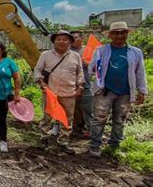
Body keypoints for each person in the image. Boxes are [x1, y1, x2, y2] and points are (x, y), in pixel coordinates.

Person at [88, 21, 147, 158]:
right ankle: (95, 146)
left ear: (127, 34)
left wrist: (142, 90)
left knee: (120, 119)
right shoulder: (101, 51)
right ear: (110, 36)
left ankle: (114, 145)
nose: (119, 36)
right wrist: (96, 70)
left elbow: (140, 72)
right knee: (99, 118)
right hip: (104, 91)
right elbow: (91, 69)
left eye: (122, 33)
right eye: (116, 33)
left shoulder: (136, 52)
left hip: (125, 92)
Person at [34, 30, 84, 154]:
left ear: (70, 42)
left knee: (67, 118)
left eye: (65, 39)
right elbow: (37, 70)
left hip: (69, 92)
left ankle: (63, 141)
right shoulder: (45, 54)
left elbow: (80, 73)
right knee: (47, 116)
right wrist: (42, 83)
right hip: (50, 92)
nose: (61, 42)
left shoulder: (75, 56)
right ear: (54, 41)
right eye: (58, 39)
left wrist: (80, 87)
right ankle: (44, 138)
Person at [70, 31, 93, 138]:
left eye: (75, 38)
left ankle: (91, 131)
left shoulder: (89, 51)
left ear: (81, 39)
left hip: (86, 85)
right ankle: (76, 129)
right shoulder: (66, 51)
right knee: (73, 110)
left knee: (88, 109)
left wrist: (89, 64)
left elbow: (100, 68)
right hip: (70, 86)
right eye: (71, 38)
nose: (73, 40)